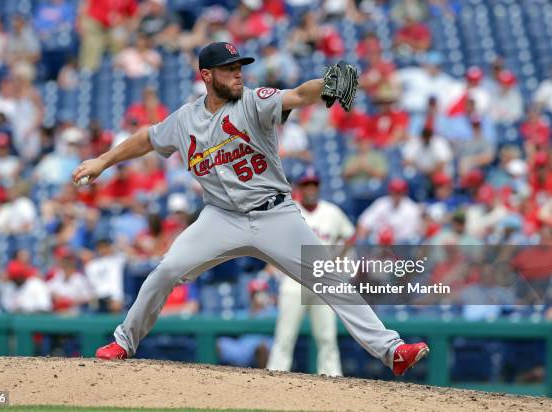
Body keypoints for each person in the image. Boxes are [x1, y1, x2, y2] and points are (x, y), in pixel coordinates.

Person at [73, 42, 428, 376]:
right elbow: (145, 139)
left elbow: (298, 95)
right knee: (165, 271)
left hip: (275, 214)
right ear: (207, 76)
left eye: (239, 67)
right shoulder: (184, 120)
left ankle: (392, 351)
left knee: (330, 279)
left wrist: (325, 85)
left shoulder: (254, 100)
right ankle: (123, 343)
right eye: (228, 69)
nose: (238, 74)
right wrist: (103, 161)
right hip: (220, 217)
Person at [267, 169, 354, 376]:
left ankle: (333, 379)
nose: (310, 189)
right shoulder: (289, 211)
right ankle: (274, 378)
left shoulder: (332, 212)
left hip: (324, 279)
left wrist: (338, 259)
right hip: (294, 279)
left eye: (313, 184)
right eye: (306, 185)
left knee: (327, 337)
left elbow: (350, 236)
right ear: (299, 188)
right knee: (285, 336)